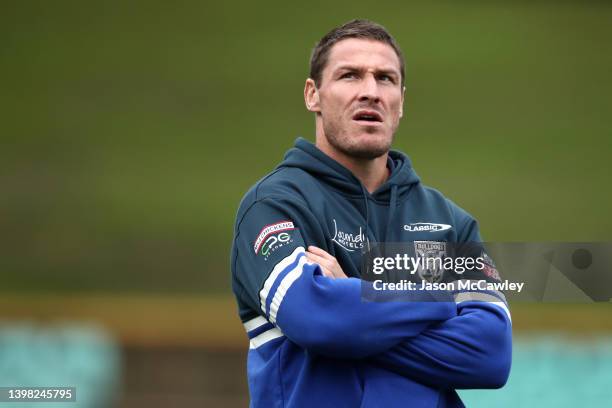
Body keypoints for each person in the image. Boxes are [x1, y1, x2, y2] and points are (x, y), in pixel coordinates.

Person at [230, 19, 512, 407]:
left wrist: (349, 293)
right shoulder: (275, 204)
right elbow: (314, 318)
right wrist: (440, 297)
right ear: (313, 94)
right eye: (350, 76)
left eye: (385, 79)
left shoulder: (450, 221)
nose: (370, 92)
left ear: (401, 101)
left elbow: (490, 355)